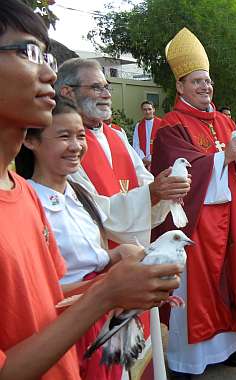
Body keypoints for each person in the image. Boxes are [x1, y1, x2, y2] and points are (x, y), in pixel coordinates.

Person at [0, 1, 181, 378]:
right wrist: (104, 293)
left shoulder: (20, 192)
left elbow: (45, 304)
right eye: (28, 53)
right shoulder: (35, 192)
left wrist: (111, 269)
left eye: (46, 56)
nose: (47, 71)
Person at [150, 28, 236, 378]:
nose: (205, 87)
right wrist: (225, 159)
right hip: (198, 225)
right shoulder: (170, 126)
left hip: (232, 218)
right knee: (200, 289)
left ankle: (229, 344)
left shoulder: (224, 121)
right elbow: (181, 173)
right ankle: (190, 357)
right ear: (180, 86)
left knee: (234, 278)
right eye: (196, 82)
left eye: (207, 82)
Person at [54, 57, 191, 377]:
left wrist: (162, 188)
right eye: (96, 87)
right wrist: (152, 194)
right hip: (100, 269)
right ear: (67, 92)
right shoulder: (64, 143)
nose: (106, 93)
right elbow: (92, 207)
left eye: (107, 86)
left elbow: (144, 183)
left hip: (135, 259)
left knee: (139, 358)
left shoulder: (116, 135)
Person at [132, 100, 163, 170]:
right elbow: (136, 144)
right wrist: (143, 158)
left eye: (149, 109)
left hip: (158, 159)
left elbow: (164, 143)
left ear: (154, 110)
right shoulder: (139, 125)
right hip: (144, 161)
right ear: (142, 111)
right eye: (145, 110)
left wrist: (153, 158)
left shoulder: (162, 124)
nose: (147, 112)